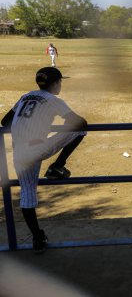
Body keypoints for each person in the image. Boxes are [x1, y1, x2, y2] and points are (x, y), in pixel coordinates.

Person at [1, 67, 87, 254]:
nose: (60, 85)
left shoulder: (26, 96)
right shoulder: (52, 100)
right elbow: (79, 121)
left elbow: (4, 121)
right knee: (81, 129)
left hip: (19, 151)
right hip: (38, 147)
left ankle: (37, 238)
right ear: (55, 83)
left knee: (27, 194)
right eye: (60, 82)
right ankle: (57, 166)